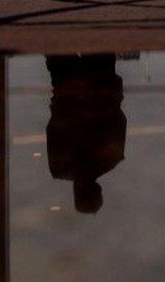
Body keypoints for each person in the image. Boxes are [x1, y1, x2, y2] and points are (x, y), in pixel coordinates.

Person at [45, 53, 127, 214]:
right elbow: (53, 127)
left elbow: (118, 118)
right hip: (68, 85)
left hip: (96, 84)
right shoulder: (60, 167)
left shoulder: (111, 158)